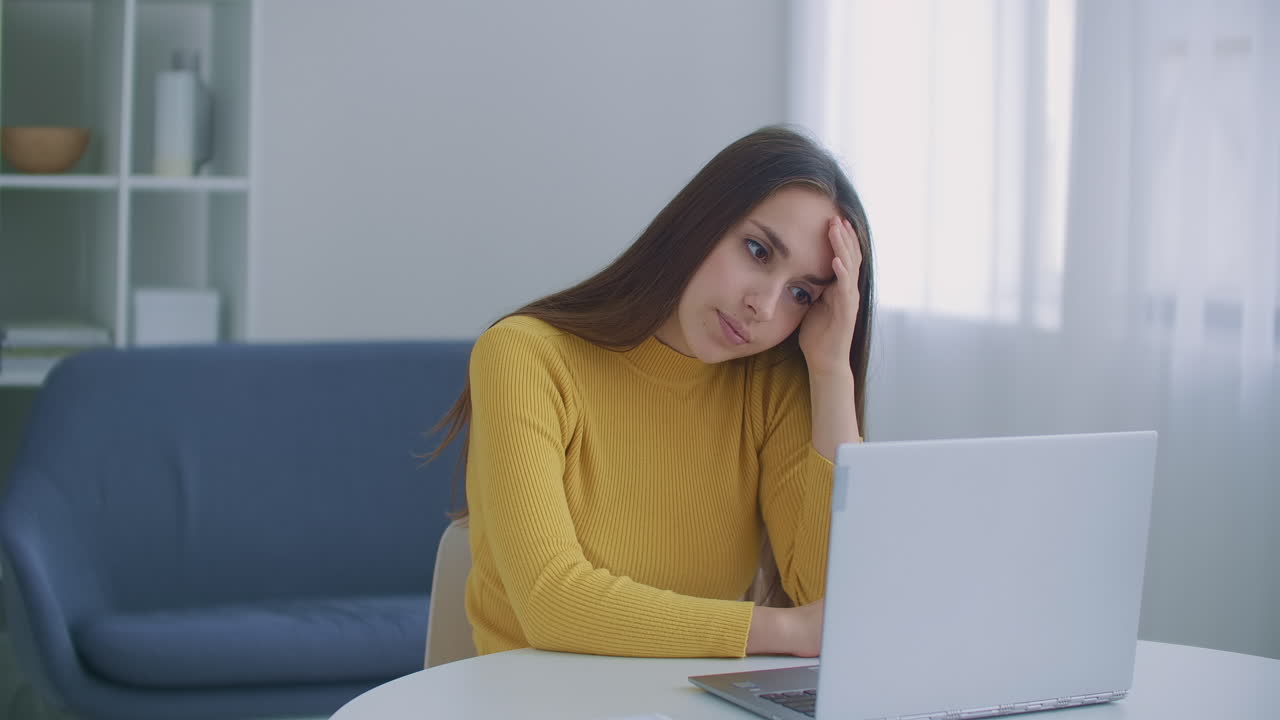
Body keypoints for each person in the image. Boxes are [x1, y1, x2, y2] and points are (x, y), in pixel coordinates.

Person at [428, 125, 873, 659]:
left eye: (801, 293)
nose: (765, 305)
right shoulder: (526, 356)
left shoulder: (770, 388)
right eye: (757, 250)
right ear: (699, 223)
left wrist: (831, 375)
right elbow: (550, 603)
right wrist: (785, 632)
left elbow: (831, 602)